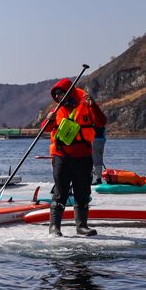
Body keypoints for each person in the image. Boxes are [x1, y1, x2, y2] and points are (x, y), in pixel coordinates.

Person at [45, 78, 100, 237]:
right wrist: (48, 120)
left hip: (83, 157)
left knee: (82, 191)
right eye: (56, 95)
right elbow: (45, 128)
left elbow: (99, 122)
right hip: (62, 157)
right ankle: (54, 227)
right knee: (60, 192)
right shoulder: (56, 111)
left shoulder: (85, 106)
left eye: (61, 94)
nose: (59, 97)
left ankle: (81, 226)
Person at [85, 93, 109, 184]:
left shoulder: (94, 111)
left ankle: (97, 179)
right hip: (98, 139)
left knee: (96, 159)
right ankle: (96, 178)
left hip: (96, 139)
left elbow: (100, 121)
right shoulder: (95, 111)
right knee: (96, 159)